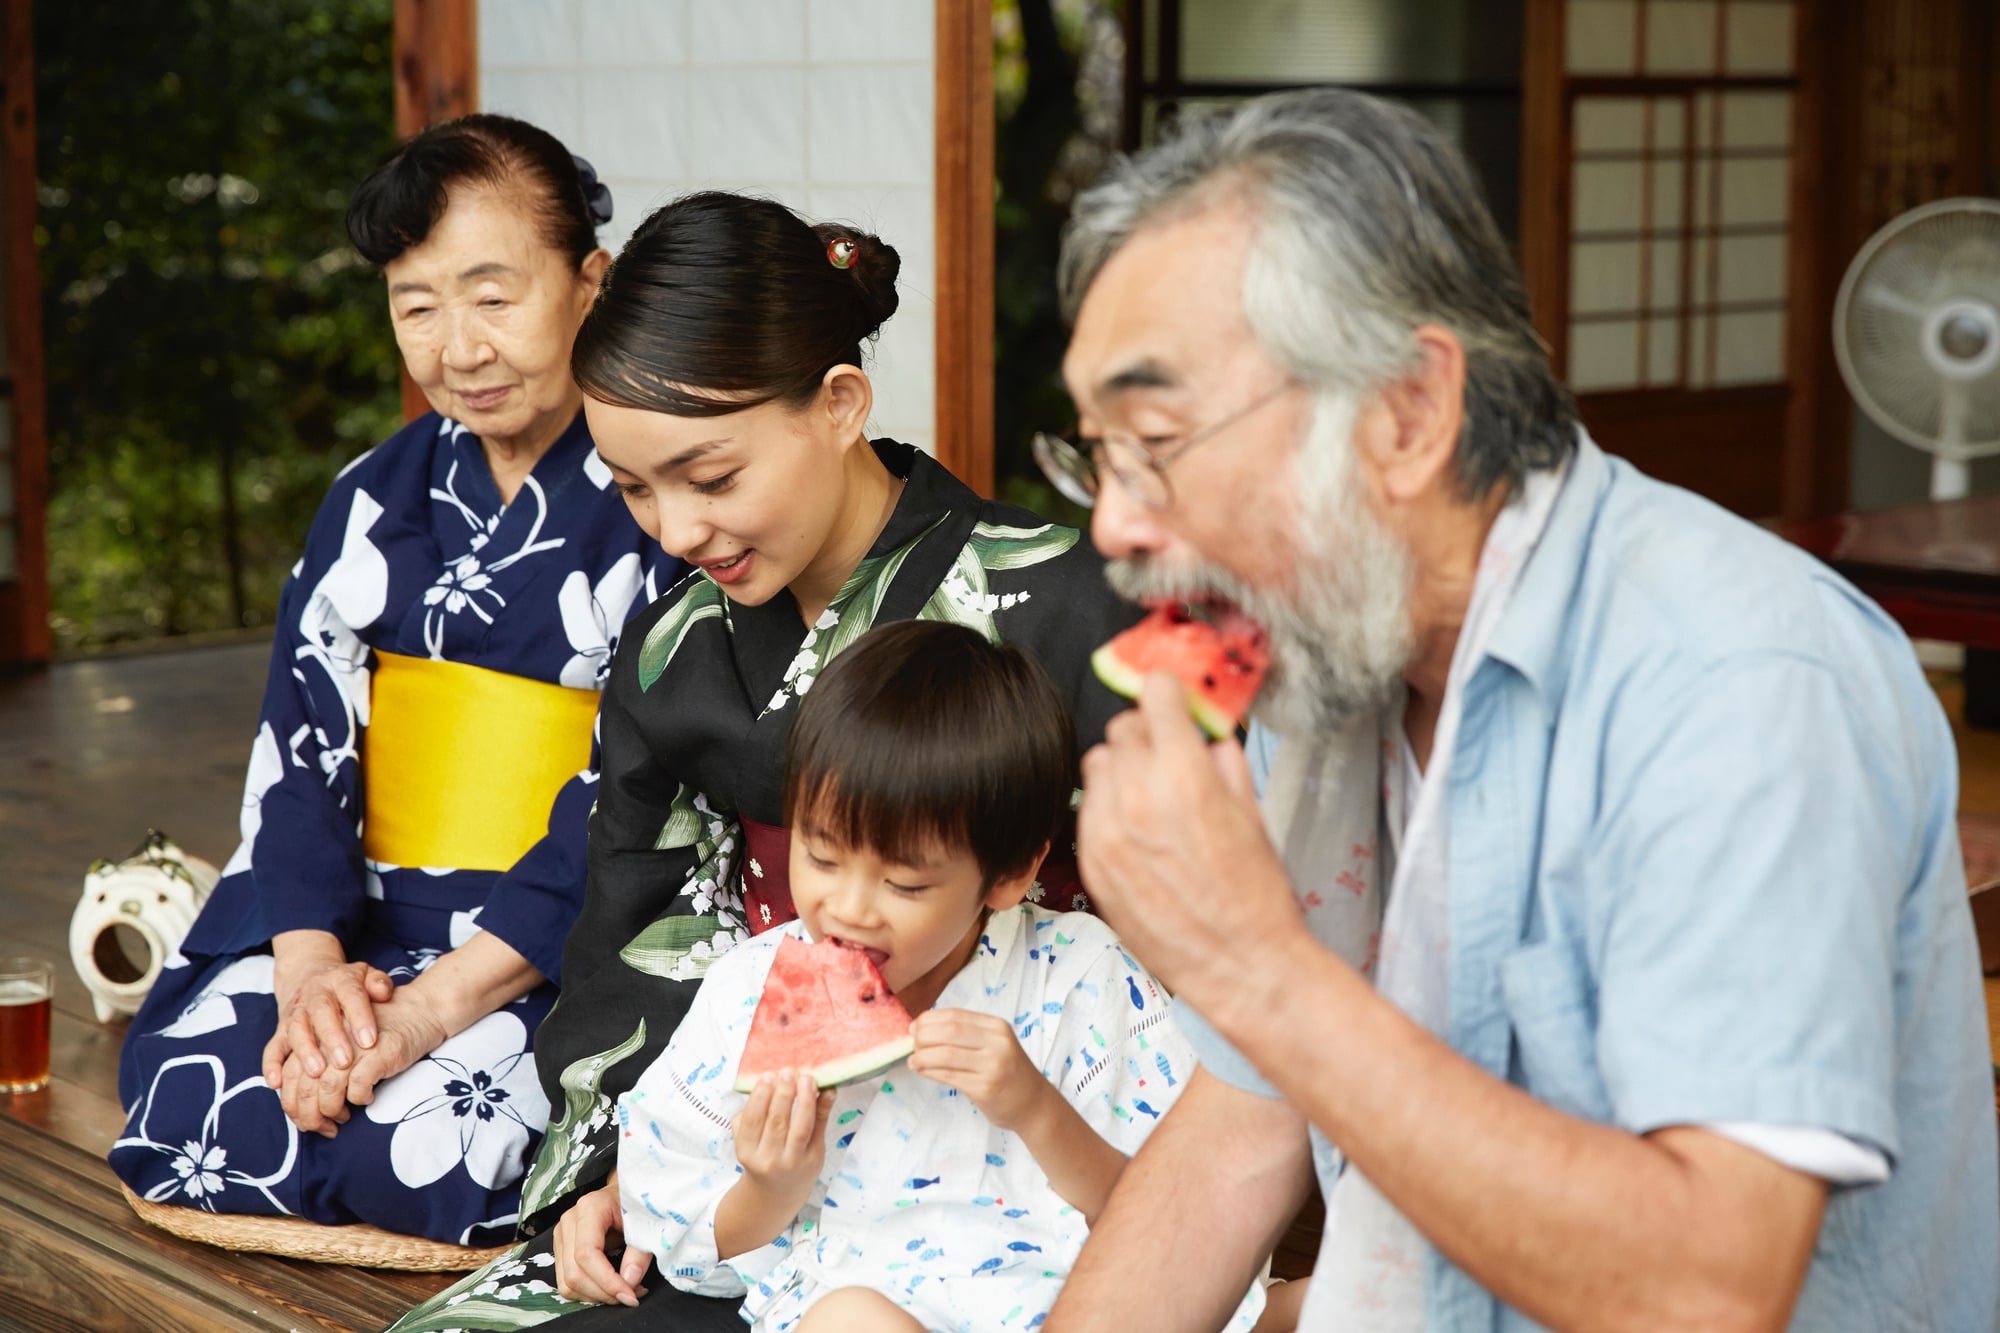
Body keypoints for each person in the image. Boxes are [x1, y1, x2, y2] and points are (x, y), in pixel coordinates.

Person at [1038, 89, 2000, 1332]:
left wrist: (1253, 964)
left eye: (1154, 442)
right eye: (1095, 454)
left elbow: (1706, 1292)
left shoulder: (1735, 684)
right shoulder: (1323, 646)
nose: (1111, 523)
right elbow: (1239, 1133)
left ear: (1404, 414)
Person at [386, 191, 1140, 1332]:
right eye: (635, 488)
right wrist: (611, 1172)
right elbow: (639, 925)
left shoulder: (1066, 599)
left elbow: (1180, 918)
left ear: (839, 405)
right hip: (752, 1169)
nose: (676, 532)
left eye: (711, 477)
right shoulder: (671, 653)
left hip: (1012, 1167)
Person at [111, 114, 679, 1246]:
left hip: (544, 931)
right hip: (367, 909)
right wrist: (315, 969)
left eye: (491, 296)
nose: (455, 347)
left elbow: (643, 784)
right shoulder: (371, 496)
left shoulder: (664, 497)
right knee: (193, 1076)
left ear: (589, 283)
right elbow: (301, 743)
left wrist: (429, 1008)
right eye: (416, 305)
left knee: (441, 1127)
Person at [615, 619, 1254, 1332]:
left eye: (905, 884)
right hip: (862, 1303)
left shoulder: (1082, 972)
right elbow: (677, 1235)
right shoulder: (749, 989)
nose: (848, 907)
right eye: (822, 858)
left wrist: (1036, 1110)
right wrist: (771, 1185)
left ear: (1012, 875)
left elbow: (1177, 1223)